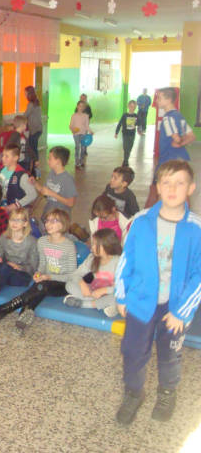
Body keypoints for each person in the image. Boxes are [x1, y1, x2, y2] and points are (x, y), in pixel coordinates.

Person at [114, 160, 201, 425]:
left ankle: (167, 392)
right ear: (158, 188)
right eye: (166, 183)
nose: (172, 189)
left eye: (179, 183)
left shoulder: (196, 228)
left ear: (191, 188)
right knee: (133, 351)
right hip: (141, 302)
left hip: (175, 308)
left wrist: (181, 312)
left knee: (170, 354)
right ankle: (133, 393)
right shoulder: (141, 222)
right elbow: (126, 260)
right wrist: (121, 295)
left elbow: (198, 275)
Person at [0, 208, 77, 334]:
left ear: (63, 224)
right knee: (39, 289)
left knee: (42, 286)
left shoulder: (69, 246)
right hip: (44, 281)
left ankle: (5, 308)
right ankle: (21, 322)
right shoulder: (42, 241)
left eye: (53, 221)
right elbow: (42, 264)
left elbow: (72, 275)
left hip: (62, 284)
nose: (48, 224)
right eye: (47, 220)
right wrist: (38, 273)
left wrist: (48, 277)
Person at [145, 88, 196, 208]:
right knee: (181, 188)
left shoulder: (168, 118)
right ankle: (184, 214)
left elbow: (176, 139)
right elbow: (192, 136)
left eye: (159, 98)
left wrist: (178, 142)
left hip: (168, 160)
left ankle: (156, 213)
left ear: (168, 100)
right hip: (181, 159)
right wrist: (181, 143)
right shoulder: (179, 115)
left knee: (159, 189)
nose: (156, 101)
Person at [63, 228, 121, 318]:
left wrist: (104, 290)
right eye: (92, 244)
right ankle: (102, 304)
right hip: (93, 293)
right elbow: (75, 274)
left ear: (107, 245)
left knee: (119, 297)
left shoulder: (118, 261)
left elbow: (123, 287)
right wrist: (82, 283)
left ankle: (84, 304)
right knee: (69, 285)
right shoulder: (92, 258)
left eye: (95, 244)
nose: (92, 247)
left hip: (109, 293)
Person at [31, 146, 77, 221]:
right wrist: (35, 183)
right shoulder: (51, 173)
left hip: (60, 218)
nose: (48, 161)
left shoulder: (68, 179)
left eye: (50, 159)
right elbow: (44, 191)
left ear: (58, 161)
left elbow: (71, 203)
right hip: (48, 212)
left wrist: (51, 193)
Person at [0, 143, 37, 214]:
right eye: (3, 155)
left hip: (15, 211)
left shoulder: (22, 175)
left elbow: (33, 194)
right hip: (2, 205)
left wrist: (16, 205)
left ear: (15, 158)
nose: (2, 158)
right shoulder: (1, 170)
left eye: (6, 156)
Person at [70, 100, 93, 169]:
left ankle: (82, 161)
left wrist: (90, 131)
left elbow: (87, 126)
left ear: (84, 108)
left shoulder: (86, 116)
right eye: (80, 106)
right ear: (77, 106)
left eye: (82, 106)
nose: (81, 107)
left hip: (83, 134)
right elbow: (71, 125)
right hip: (76, 134)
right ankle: (77, 162)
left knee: (83, 148)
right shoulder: (74, 116)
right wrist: (72, 129)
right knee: (77, 147)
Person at [115, 100, 139, 167]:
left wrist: (136, 124)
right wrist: (116, 132)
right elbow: (120, 123)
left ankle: (125, 160)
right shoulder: (125, 115)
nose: (132, 108)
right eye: (131, 106)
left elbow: (139, 123)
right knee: (125, 148)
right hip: (125, 134)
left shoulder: (136, 115)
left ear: (135, 107)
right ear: (128, 106)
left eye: (134, 107)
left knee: (129, 148)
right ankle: (126, 161)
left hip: (132, 134)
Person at [23, 86, 43, 162]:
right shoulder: (36, 102)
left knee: (32, 148)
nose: (24, 95)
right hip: (38, 129)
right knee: (33, 148)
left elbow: (25, 115)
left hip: (34, 130)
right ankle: (34, 163)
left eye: (25, 93)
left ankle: (35, 164)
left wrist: (15, 120)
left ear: (30, 94)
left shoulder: (31, 104)